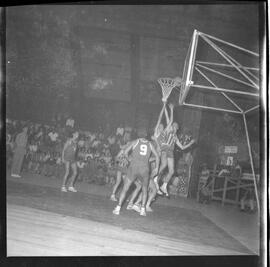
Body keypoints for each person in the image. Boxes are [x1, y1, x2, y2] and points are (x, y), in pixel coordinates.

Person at [113, 130, 159, 216]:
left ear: (138, 135)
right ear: (146, 135)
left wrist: (129, 160)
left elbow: (125, 152)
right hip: (144, 169)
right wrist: (157, 167)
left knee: (125, 188)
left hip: (134, 168)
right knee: (144, 189)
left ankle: (118, 208)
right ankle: (142, 210)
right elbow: (157, 156)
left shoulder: (135, 141)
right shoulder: (150, 144)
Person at [156, 104, 196, 197]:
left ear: (176, 128)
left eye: (175, 126)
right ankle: (155, 178)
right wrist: (169, 109)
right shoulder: (168, 131)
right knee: (164, 165)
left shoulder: (175, 137)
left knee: (172, 171)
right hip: (165, 149)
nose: (173, 126)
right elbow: (168, 119)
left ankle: (164, 185)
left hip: (171, 153)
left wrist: (191, 143)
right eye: (173, 125)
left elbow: (182, 147)